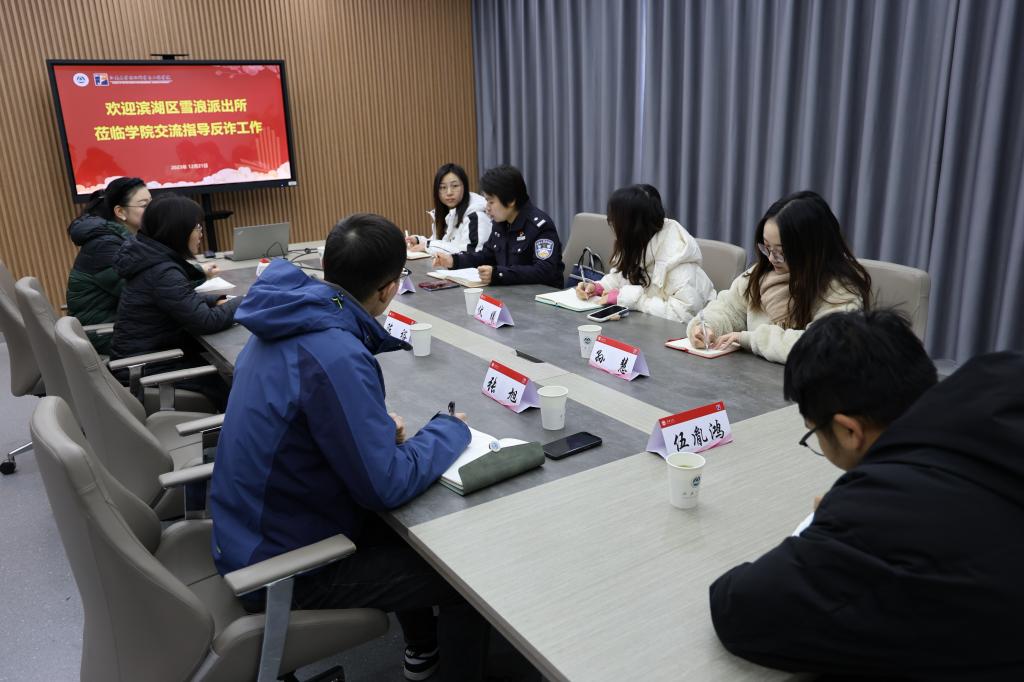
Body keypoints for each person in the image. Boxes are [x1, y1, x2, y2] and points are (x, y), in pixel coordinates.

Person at [209, 213, 490, 681]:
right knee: (468, 576)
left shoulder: (283, 321)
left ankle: (421, 650)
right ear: (388, 289)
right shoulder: (334, 353)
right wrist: (449, 431)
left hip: (245, 531)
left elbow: (302, 422)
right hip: (282, 566)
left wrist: (372, 432)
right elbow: (386, 485)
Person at [709, 310, 1024, 679]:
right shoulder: (997, 379)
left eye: (814, 433)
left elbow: (739, 606)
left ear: (848, 431)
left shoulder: (883, 511)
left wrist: (835, 523)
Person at [686, 190, 871, 363]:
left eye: (781, 252)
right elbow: (728, 309)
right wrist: (707, 327)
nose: (771, 258)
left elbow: (821, 346)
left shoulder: (841, 291)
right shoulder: (761, 274)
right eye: (766, 247)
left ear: (812, 249)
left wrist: (750, 339)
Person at [110, 193, 238, 408]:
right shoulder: (163, 271)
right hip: (150, 367)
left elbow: (177, 299)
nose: (201, 233)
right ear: (178, 230)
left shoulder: (151, 259)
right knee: (238, 386)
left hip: (148, 356)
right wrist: (249, 301)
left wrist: (217, 300)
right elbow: (207, 322)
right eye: (197, 227)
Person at [574, 184, 716, 323]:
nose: (614, 229)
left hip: (691, 331)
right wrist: (599, 287)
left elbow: (684, 316)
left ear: (631, 228)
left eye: (615, 223)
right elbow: (622, 277)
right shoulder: (638, 245)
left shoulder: (678, 261)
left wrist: (632, 300)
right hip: (647, 327)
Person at [431, 164, 564, 288]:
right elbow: (486, 255)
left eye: (491, 202)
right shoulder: (501, 223)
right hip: (511, 293)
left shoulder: (539, 226)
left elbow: (544, 271)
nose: (487, 208)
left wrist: (498, 274)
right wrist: (454, 260)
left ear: (511, 200)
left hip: (540, 298)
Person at [65, 177, 150, 354]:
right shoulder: (105, 245)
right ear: (120, 212)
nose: (154, 210)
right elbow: (142, 291)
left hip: (120, 324)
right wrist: (195, 275)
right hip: (106, 335)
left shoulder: (121, 238)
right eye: (145, 205)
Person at [406, 163, 492, 255]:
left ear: (465, 187)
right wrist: (419, 241)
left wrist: (428, 246)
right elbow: (442, 243)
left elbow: (471, 254)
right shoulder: (446, 212)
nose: (449, 192)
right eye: (443, 187)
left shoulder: (476, 215)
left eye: (455, 186)